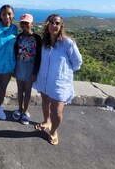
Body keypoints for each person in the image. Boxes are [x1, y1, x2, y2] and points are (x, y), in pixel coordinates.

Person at [33, 14, 82, 145]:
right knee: (45, 100)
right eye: (51, 22)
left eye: (57, 23)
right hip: (44, 79)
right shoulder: (44, 42)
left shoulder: (67, 43)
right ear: (47, 25)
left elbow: (77, 62)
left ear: (61, 26)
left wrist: (65, 71)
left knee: (57, 111)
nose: (54, 25)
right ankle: (46, 121)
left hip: (60, 82)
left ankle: (53, 130)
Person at [12, 13, 42, 125]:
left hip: (30, 66)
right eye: (22, 22)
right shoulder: (19, 37)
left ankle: (26, 112)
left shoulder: (37, 38)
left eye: (27, 22)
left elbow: (39, 56)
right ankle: (19, 109)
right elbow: (15, 53)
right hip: (19, 65)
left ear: (32, 23)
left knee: (27, 90)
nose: (24, 24)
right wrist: (14, 67)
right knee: (20, 89)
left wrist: (35, 72)